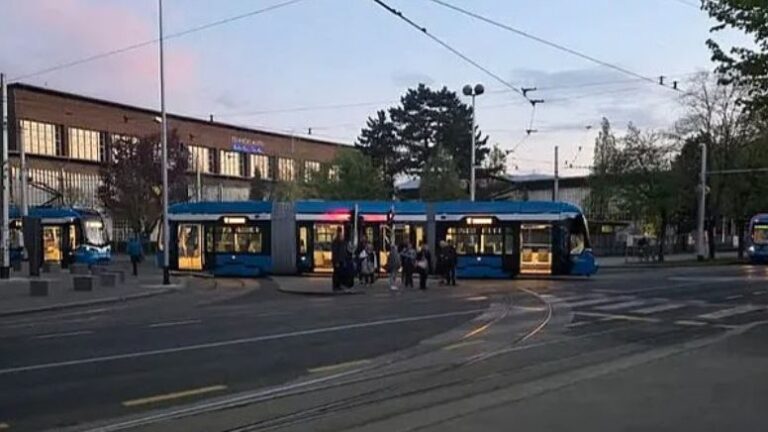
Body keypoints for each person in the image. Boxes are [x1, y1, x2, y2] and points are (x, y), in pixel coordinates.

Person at [331, 227, 346, 291]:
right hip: (338, 260)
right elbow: (336, 251)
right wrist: (336, 261)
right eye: (340, 231)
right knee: (337, 273)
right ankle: (336, 286)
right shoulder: (337, 240)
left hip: (340, 259)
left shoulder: (339, 240)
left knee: (339, 273)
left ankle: (338, 285)